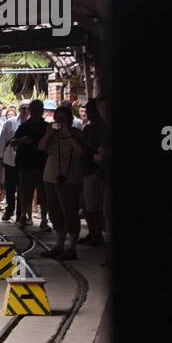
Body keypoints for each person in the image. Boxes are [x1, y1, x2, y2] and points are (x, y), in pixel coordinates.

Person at [40, 105, 85, 259]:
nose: (60, 121)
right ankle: (59, 245)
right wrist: (48, 134)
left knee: (70, 211)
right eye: (57, 118)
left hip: (70, 177)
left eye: (63, 118)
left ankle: (72, 247)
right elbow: (41, 148)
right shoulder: (51, 133)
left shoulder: (77, 133)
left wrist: (67, 134)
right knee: (55, 211)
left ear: (70, 119)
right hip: (51, 175)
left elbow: (80, 151)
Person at [12, 98, 49, 229]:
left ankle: (44, 219)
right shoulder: (24, 126)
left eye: (38, 110)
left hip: (43, 165)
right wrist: (22, 140)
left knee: (43, 195)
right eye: (33, 109)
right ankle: (24, 216)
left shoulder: (46, 127)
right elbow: (13, 142)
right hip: (26, 164)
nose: (36, 112)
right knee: (25, 193)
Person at [77, 98, 107, 246]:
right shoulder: (88, 128)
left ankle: (97, 234)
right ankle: (92, 232)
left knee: (96, 206)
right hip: (87, 169)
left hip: (97, 171)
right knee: (87, 206)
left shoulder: (103, 128)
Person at [0, 102, 26, 221]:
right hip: (10, 159)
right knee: (10, 186)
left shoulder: (31, 124)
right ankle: (9, 209)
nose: (25, 111)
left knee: (22, 188)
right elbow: (3, 139)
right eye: (23, 108)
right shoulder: (10, 122)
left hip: (25, 161)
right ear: (19, 109)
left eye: (28, 108)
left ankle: (21, 213)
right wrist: (0, 155)